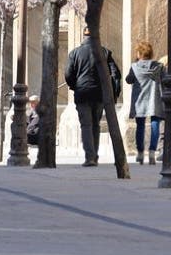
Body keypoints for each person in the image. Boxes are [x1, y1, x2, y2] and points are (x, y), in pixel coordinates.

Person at [65, 26, 122, 167]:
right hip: (99, 94)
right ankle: (94, 155)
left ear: (84, 36)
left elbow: (68, 74)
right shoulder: (104, 52)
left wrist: (75, 86)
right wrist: (114, 92)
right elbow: (116, 74)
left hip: (82, 93)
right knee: (95, 124)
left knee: (86, 125)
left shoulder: (75, 53)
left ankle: (90, 157)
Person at [126, 40, 164, 165]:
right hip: (154, 100)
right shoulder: (158, 67)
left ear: (139, 54)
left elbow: (128, 80)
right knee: (155, 124)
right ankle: (152, 152)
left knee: (140, 126)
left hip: (140, 101)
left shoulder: (134, 67)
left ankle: (141, 153)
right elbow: (165, 80)